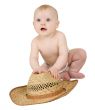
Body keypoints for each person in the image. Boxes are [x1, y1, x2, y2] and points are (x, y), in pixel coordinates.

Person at [29, 4, 87, 80]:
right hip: (49, 65)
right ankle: (62, 74)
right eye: (38, 20)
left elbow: (63, 54)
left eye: (48, 20)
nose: (42, 23)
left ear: (57, 24)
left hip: (66, 60)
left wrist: (56, 67)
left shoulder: (60, 36)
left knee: (81, 53)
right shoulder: (35, 41)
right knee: (43, 75)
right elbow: (33, 58)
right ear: (33, 24)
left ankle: (72, 71)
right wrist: (36, 67)